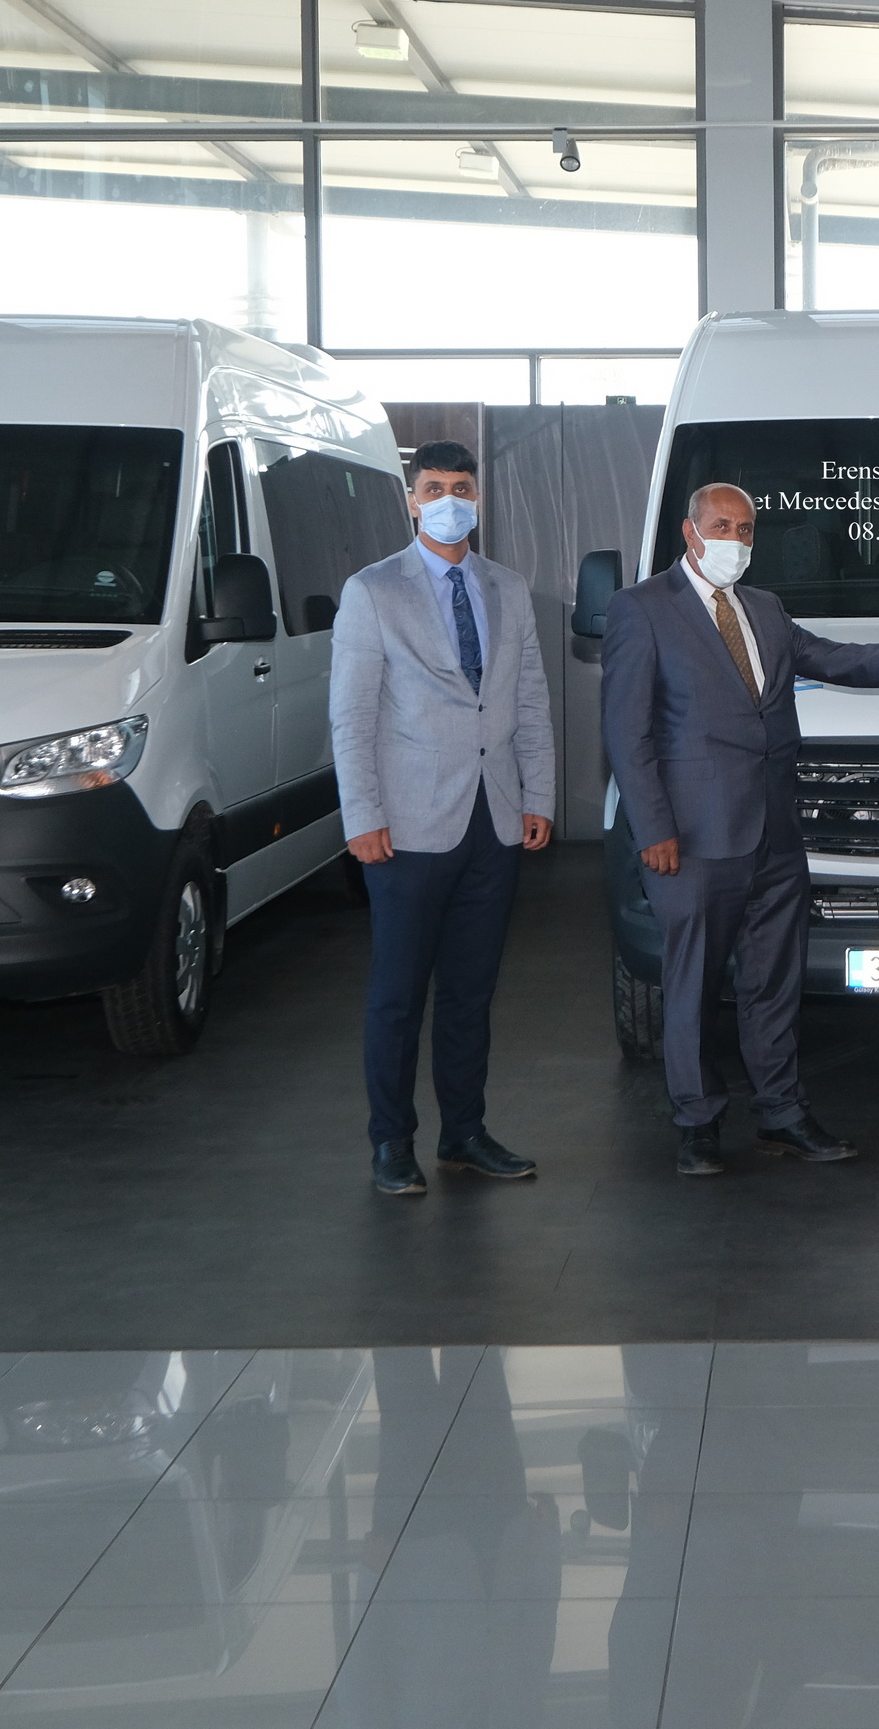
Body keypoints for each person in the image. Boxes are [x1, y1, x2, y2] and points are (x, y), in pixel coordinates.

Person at [602, 482, 879, 1176]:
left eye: (745, 529)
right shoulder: (641, 608)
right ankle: (697, 1122)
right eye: (721, 526)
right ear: (690, 531)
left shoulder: (764, 608)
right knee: (692, 983)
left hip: (774, 833)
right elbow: (626, 731)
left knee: (774, 980)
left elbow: (833, 658)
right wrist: (652, 828)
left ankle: (781, 1113)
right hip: (693, 837)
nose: (734, 540)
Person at [330, 438, 555, 1198]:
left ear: (478, 499)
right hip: (406, 827)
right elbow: (352, 715)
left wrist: (538, 795)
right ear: (412, 500)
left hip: (494, 820)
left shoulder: (507, 588)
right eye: (434, 487)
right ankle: (392, 1142)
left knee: (470, 994)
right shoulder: (372, 591)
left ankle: (464, 1133)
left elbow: (529, 699)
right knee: (398, 996)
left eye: (462, 487)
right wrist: (362, 815)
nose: (449, 499)